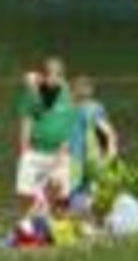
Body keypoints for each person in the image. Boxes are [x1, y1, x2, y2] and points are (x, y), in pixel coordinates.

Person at [14, 57, 75, 206]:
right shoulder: (33, 95)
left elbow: (69, 124)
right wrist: (24, 149)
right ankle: (32, 222)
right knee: (25, 193)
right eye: (50, 74)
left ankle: (59, 225)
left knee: (62, 195)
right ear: (44, 75)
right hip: (36, 152)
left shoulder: (67, 94)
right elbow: (26, 121)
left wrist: (65, 148)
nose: (54, 78)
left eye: (58, 74)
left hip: (60, 152)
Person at [68, 74, 118, 207]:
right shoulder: (91, 108)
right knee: (88, 196)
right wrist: (110, 153)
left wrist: (110, 151)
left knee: (79, 197)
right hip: (86, 161)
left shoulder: (90, 109)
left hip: (80, 162)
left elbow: (107, 132)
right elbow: (109, 134)